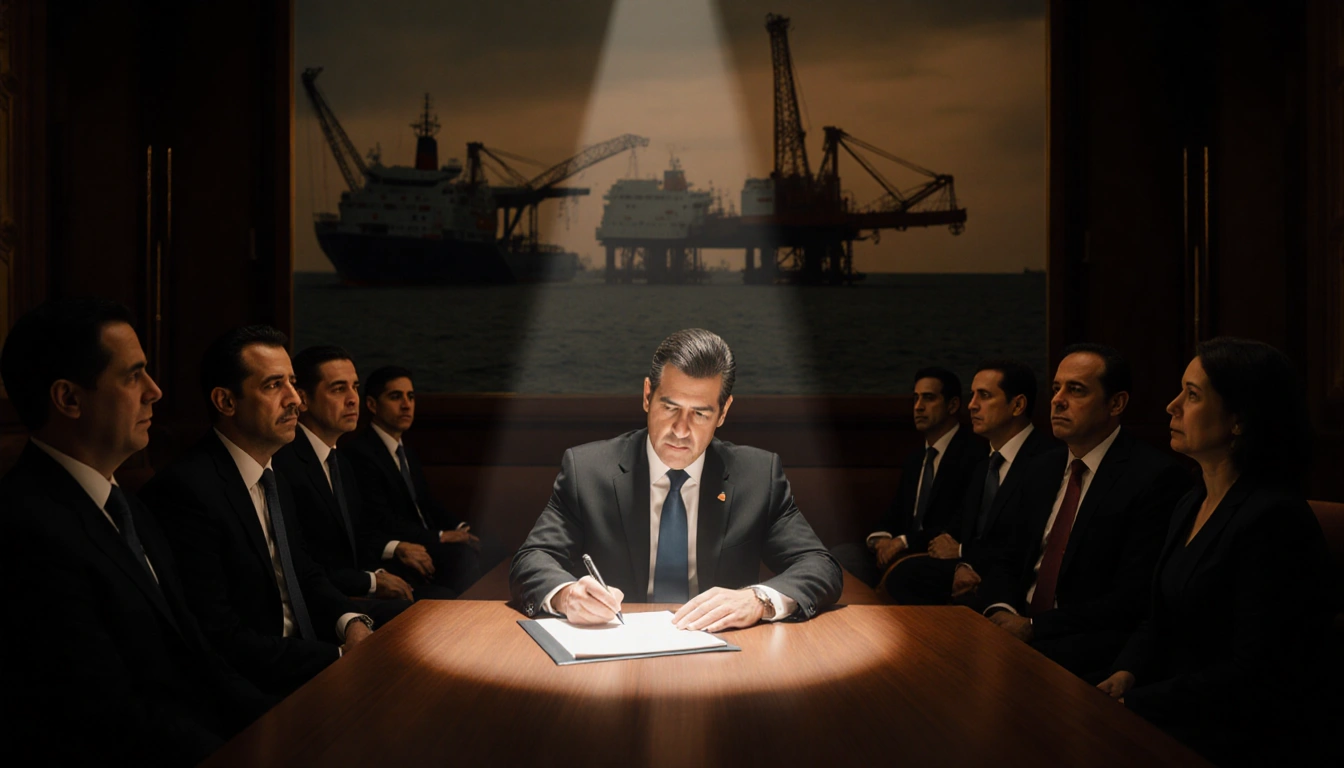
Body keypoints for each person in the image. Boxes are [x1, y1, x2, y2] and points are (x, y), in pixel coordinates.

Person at [0, 299, 270, 765]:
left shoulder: (130, 506)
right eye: (133, 376)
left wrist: (285, 722)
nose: (155, 391)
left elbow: (199, 658)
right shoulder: (24, 529)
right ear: (69, 399)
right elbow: (105, 714)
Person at [1096, 338, 1335, 765]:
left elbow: (1255, 672)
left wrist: (1138, 704)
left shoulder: (1274, 517)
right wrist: (1125, 673)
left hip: (1242, 733)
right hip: (1175, 703)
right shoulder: (1191, 500)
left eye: (1191, 395)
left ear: (1239, 419)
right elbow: (1158, 618)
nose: (1171, 406)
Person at [510, 328, 843, 630]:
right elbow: (531, 559)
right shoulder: (587, 471)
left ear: (723, 412)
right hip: (617, 646)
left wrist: (757, 600)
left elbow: (820, 566)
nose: (681, 430)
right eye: (670, 408)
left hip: (724, 651)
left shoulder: (758, 476)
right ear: (647, 396)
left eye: (700, 414)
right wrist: (567, 595)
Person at [141, 326, 373, 696]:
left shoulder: (273, 472)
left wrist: (351, 622)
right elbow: (219, 635)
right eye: (273, 385)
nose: (295, 400)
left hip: (307, 655)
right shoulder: (186, 490)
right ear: (225, 401)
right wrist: (338, 657)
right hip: (254, 685)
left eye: (292, 383)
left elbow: (304, 572)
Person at [971, 343, 1189, 678]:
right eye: (1056, 388)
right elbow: (1007, 557)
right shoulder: (1041, 468)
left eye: (1076, 390)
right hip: (1017, 622)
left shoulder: (1154, 477)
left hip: (1084, 641)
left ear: (1116, 403)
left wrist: (1033, 627)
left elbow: (1132, 597)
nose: (1057, 400)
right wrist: (1001, 610)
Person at [884, 360, 1057, 604]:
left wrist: (962, 555)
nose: (972, 405)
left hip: (1016, 579)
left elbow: (1026, 544)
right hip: (975, 566)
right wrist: (959, 560)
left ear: (1017, 405)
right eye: (973, 395)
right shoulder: (985, 461)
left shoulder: (1046, 459)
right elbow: (962, 526)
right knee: (903, 575)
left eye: (984, 396)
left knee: (908, 578)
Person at [273, 345, 414, 626]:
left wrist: (379, 572)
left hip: (351, 587)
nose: (352, 400)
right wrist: (372, 581)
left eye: (355, 387)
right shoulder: (284, 463)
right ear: (303, 399)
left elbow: (358, 537)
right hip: (319, 605)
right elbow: (305, 563)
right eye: (338, 389)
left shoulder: (341, 461)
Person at [832, 367, 985, 588]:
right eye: (916, 398)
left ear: (952, 405)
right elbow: (895, 512)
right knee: (839, 556)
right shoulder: (916, 458)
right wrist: (881, 539)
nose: (918, 407)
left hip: (936, 556)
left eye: (929, 398)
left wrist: (903, 542)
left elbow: (959, 525)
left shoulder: (974, 454)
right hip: (901, 553)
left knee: (900, 573)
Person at [344, 365, 487, 598]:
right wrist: (440, 536)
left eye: (410, 396)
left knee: (489, 545)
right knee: (462, 557)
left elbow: (427, 503)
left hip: (425, 537)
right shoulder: (360, 453)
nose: (406, 404)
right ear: (371, 405)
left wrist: (461, 527)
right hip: (403, 545)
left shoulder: (406, 453)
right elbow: (382, 520)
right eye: (395, 396)